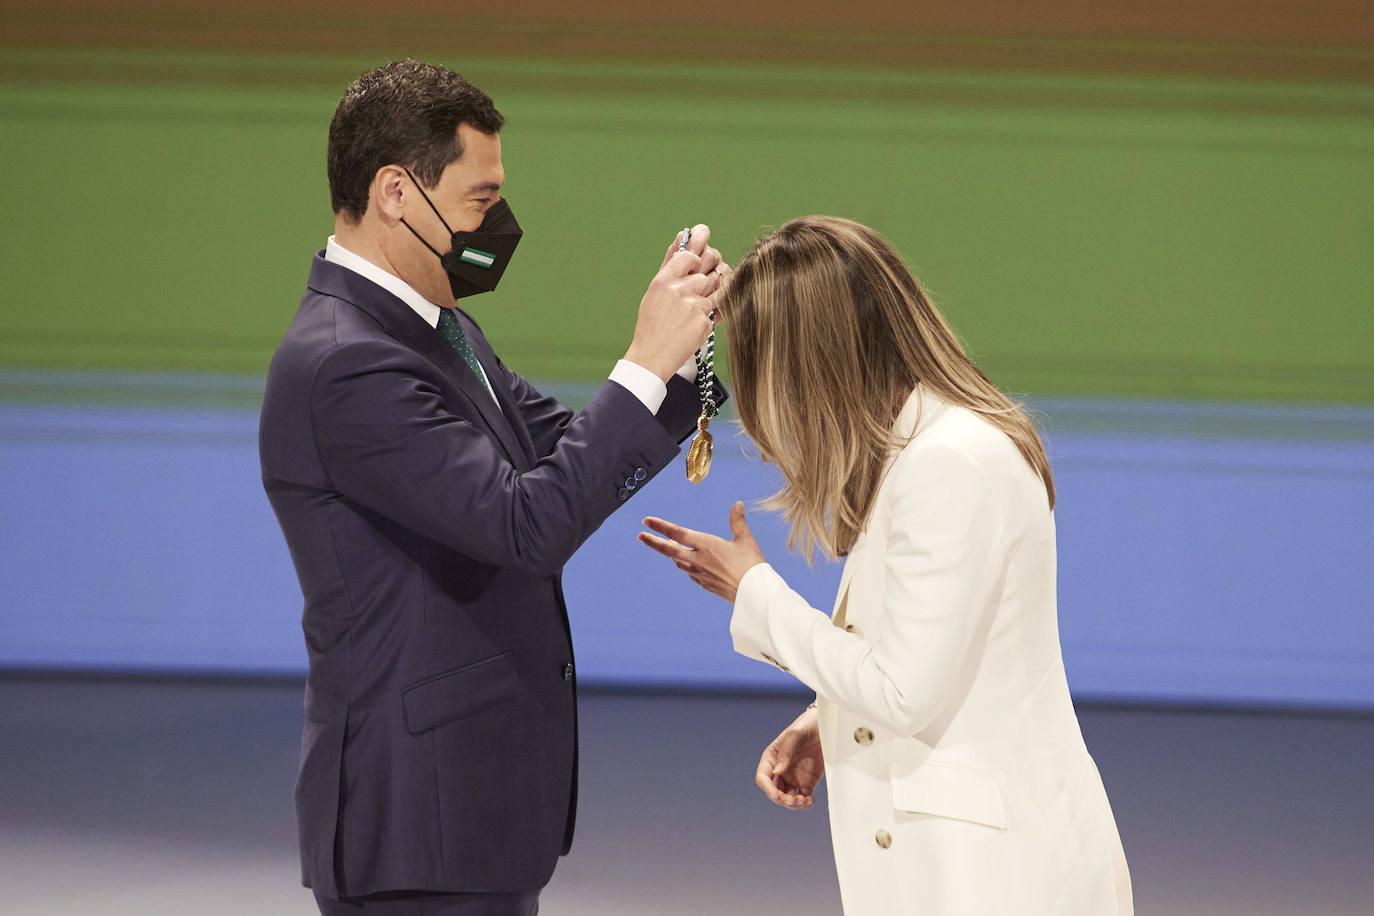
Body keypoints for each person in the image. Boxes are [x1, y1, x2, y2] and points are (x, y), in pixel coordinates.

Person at [259, 59, 727, 916]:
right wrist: (644, 358)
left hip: (466, 818)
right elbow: (526, 523)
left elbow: (557, 451)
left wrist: (684, 349)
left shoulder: (440, 329)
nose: (497, 224)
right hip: (415, 833)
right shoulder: (344, 363)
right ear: (396, 191)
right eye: (480, 199)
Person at [639, 216, 1132, 914]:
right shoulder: (929, 450)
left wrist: (754, 591)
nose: (760, 412)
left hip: (990, 879)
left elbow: (904, 690)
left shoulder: (946, 463)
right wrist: (830, 718)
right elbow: (931, 652)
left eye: (764, 377)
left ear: (808, 365)